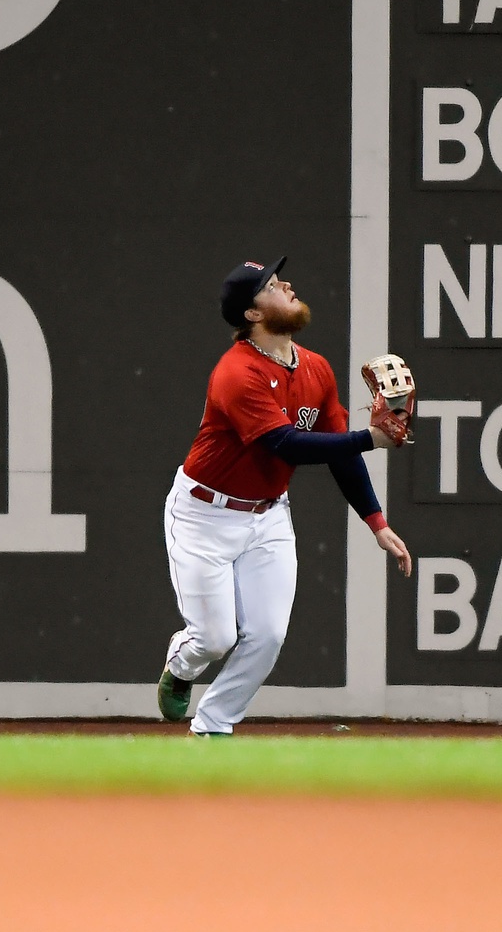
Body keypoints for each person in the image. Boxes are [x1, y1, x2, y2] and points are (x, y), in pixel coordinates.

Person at [158, 257, 410, 735]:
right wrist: (370, 438)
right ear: (252, 314)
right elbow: (284, 443)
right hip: (204, 515)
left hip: (269, 514)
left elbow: (338, 451)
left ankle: (213, 726)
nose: (287, 284)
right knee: (214, 639)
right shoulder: (237, 373)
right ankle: (182, 666)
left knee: (268, 636)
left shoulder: (315, 368)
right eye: (272, 285)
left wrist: (377, 522)